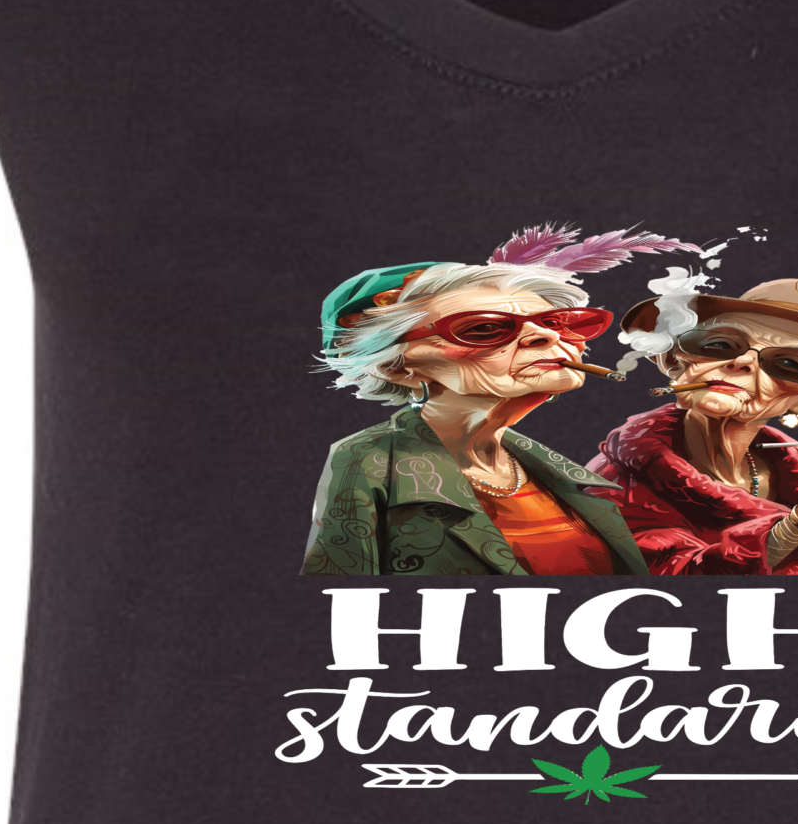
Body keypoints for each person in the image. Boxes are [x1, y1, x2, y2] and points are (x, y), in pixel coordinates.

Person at [302, 227, 704, 575]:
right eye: (484, 329)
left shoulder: (563, 475)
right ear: (397, 367)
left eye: (555, 322)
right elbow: (335, 605)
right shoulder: (368, 462)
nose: (548, 336)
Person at [593, 275, 798, 574]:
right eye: (719, 345)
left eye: (790, 364)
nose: (742, 362)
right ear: (676, 361)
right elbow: (673, 583)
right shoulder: (618, 476)